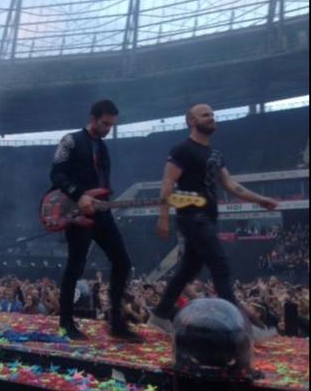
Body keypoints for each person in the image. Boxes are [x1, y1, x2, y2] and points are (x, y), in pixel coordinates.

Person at [149, 104, 279, 340]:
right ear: (191, 121)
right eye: (205, 115)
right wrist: (163, 217)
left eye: (212, 114)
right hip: (191, 216)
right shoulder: (182, 150)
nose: (211, 117)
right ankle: (243, 329)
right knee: (220, 266)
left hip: (209, 217)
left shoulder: (216, 153)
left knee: (188, 269)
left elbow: (231, 185)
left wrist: (260, 200)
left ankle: (160, 315)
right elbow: (167, 184)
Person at [50, 99, 141, 341]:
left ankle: (116, 322)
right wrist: (78, 195)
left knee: (122, 262)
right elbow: (56, 174)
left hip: (102, 212)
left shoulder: (103, 148)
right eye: (105, 124)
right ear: (93, 118)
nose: (108, 129)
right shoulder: (70, 140)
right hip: (77, 214)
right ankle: (66, 323)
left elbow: (103, 183)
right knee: (75, 266)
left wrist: (106, 202)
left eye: (112, 125)